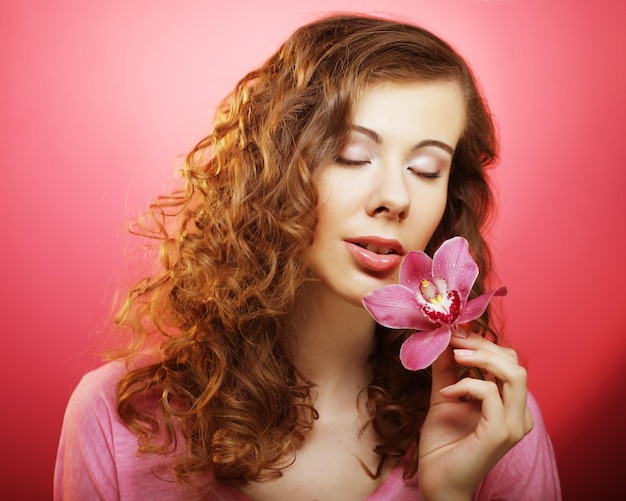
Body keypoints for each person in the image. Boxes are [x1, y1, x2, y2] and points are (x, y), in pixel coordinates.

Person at [54, 13, 561, 500]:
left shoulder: (492, 424)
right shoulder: (118, 421)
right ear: (273, 172)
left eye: (427, 169)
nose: (397, 197)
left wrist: (450, 493)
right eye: (352, 156)